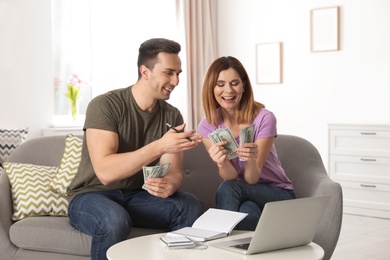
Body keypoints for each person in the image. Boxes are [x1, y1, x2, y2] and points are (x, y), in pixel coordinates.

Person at [66, 38, 204, 260]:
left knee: (189, 205)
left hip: (138, 196)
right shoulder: (105, 105)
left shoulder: (171, 115)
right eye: (169, 73)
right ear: (145, 71)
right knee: (114, 220)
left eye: (178, 73)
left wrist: (170, 184)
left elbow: (174, 172)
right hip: (92, 195)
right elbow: (106, 173)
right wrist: (159, 146)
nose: (176, 81)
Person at [198, 56, 295, 231]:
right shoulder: (207, 125)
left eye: (234, 83)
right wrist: (221, 162)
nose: (228, 90)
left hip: (278, 194)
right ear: (211, 88)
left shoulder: (264, 118)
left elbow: (252, 178)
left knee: (228, 189)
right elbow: (230, 176)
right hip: (241, 194)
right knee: (248, 210)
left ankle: (217, 242)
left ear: (244, 86)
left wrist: (250, 159)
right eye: (220, 84)